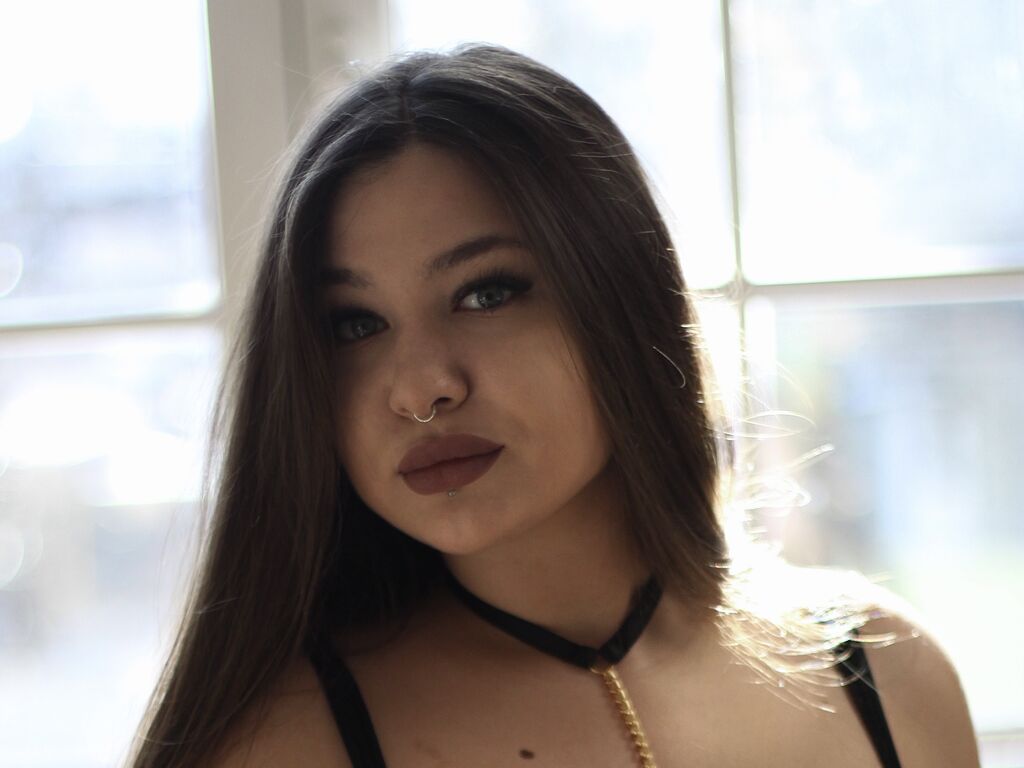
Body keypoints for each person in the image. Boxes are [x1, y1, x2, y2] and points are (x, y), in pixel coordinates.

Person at [129, 45, 979, 767]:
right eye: (354, 324)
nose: (420, 387)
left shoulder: (885, 676)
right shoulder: (280, 743)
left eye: (485, 293)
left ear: (621, 296)